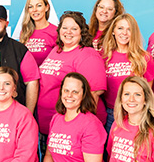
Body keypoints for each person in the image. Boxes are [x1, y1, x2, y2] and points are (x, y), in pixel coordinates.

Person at [37, 11, 106, 145]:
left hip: (73, 130)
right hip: (49, 124)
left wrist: (75, 127)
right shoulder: (56, 50)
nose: (68, 32)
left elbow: (94, 94)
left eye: (74, 28)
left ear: (82, 32)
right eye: (65, 28)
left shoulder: (87, 55)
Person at [102, 13, 154, 132]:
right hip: (111, 113)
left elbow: (148, 92)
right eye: (120, 28)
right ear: (113, 31)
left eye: (129, 29)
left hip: (135, 114)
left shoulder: (144, 58)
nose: (124, 33)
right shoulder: (104, 57)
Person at [19, 0, 58, 66]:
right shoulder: (25, 31)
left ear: (46, 7)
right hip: (27, 76)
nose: (34, 10)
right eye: (30, 7)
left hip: (45, 76)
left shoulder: (56, 32)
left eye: (39, 5)